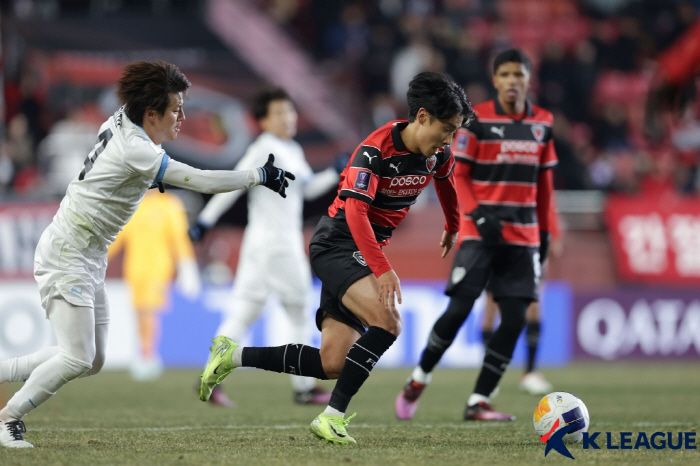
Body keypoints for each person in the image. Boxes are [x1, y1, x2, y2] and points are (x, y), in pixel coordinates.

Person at [0, 60, 294, 448]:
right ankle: (8, 417)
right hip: (68, 253)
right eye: (176, 109)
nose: (183, 116)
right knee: (77, 357)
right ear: (151, 113)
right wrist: (258, 175)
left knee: (93, 359)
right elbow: (202, 180)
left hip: (87, 255)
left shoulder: (125, 120)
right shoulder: (137, 150)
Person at [198, 71, 472, 444]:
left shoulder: (437, 153)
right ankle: (332, 417)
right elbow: (357, 215)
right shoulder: (374, 151)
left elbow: (447, 181)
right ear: (422, 116)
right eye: (447, 129)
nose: (449, 140)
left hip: (360, 250)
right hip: (338, 243)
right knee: (389, 321)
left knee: (332, 364)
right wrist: (383, 270)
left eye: (455, 132)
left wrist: (454, 224)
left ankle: (233, 356)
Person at [395, 49, 558, 422]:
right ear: (495, 79)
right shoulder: (476, 119)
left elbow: (544, 184)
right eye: (505, 74)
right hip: (480, 232)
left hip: (524, 235)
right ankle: (420, 377)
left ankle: (479, 400)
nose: (512, 80)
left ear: (528, 79)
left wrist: (545, 232)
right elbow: (460, 174)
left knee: (515, 319)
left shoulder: (543, 123)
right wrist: (477, 214)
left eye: (519, 73)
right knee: (459, 309)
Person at [188, 87, 345, 406]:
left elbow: (308, 189)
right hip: (278, 244)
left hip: (260, 244)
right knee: (299, 312)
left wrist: (333, 171)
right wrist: (205, 220)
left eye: (290, 111)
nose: (288, 118)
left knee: (244, 311)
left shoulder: (291, 149)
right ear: (261, 121)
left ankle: (209, 377)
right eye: (279, 113)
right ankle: (303, 388)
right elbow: (234, 183)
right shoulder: (264, 149)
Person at [108, 189, 201, 381]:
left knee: (150, 311)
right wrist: (97, 256)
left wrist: (186, 265)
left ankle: (148, 355)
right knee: (139, 312)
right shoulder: (132, 205)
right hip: (135, 269)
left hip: (158, 268)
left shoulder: (169, 204)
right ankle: (144, 353)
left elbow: (178, 238)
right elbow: (117, 238)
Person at [481, 196, 563, 396]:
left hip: (530, 247)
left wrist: (554, 236)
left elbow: (548, 208)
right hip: (499, 244)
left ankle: (530, 373)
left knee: (534, 308)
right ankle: (489, 375)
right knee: (490, 313)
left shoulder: (538, 178)